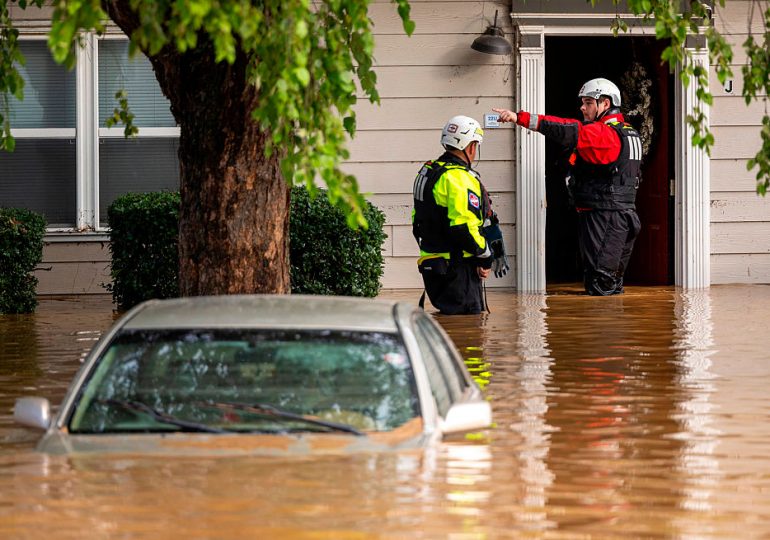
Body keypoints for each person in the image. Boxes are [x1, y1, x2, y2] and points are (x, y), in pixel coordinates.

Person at [493, 77, 642, 296]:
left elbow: (566, 129)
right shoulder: (630, 133)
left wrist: (520, 118)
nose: (582, 107)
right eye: (582, 102)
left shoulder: (603, 133)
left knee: (600, 285)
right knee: (611, 284)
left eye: (589, 102)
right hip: (623, 215)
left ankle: (602, 328)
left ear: (606, 104)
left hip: (606, 216)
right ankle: (611, 325)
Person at [412, 115, 508, 315]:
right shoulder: (460, 178)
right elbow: (464, 228)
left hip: (433, 267)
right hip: (457, 271)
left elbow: (417, 218)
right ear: (471, 146)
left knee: (450, 330)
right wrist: (485, 257)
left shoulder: (428, 171)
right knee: (469, 337)